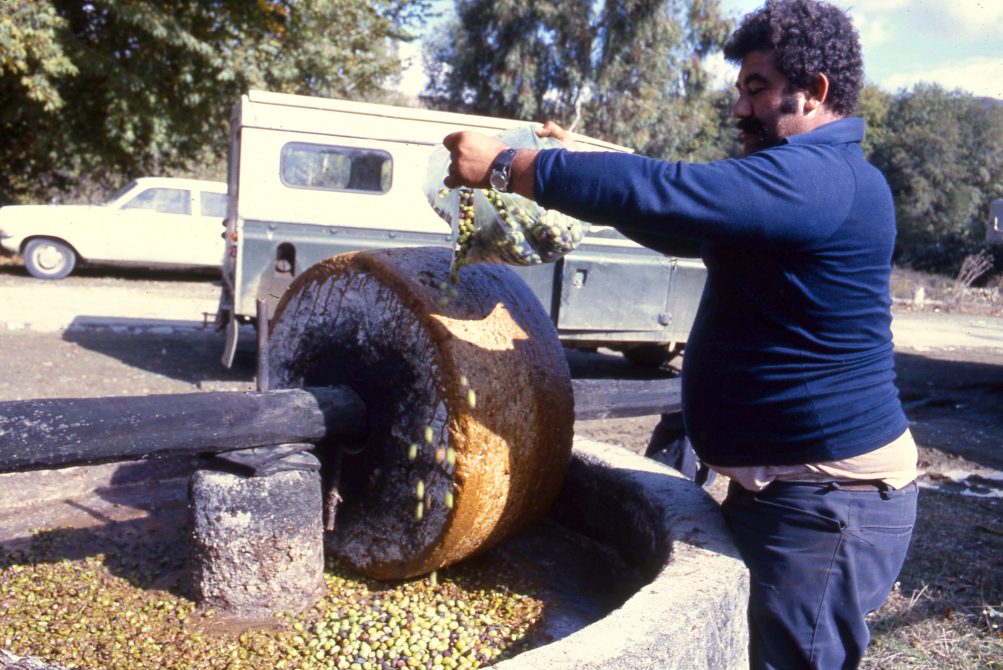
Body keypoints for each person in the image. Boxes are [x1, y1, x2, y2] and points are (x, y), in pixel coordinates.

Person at [441, 1, 918, 667]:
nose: (738, 110)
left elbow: (669, 191)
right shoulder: (804, 181)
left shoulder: (821, 178)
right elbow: (676, 221)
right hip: (789, 490)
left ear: (812, 92)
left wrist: (510, 167)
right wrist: (570, 167)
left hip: (827, 502)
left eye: (755, 89)